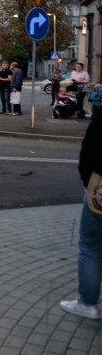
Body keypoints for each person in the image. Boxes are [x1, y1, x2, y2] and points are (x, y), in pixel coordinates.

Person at [58, 106, 102, 320]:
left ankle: (88, 303)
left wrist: (87, 182)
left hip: (99, 191)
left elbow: (89, 151)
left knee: (91, 246)